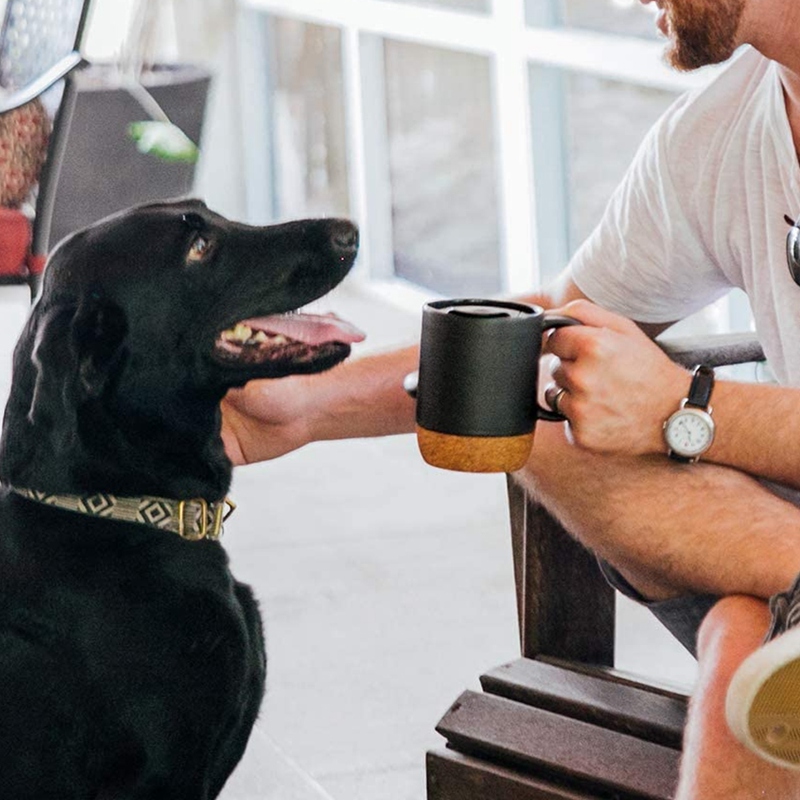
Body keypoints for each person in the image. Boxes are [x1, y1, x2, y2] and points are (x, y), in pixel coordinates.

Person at [221, 0, 800, 789]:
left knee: (745, 638)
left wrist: (681, 407)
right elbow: (546, 327)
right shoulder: (726, 129)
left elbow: (671, 404)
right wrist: (303, 407)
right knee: (534, 409)